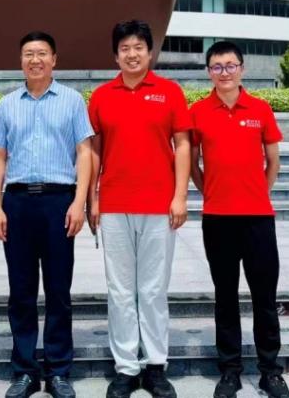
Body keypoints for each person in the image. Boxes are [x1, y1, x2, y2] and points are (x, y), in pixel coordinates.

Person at [87, 20, 191, 398]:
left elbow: (183, 145)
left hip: (159, 205)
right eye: (125, 48)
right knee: (119, 290)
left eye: (138, 47)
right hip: (115, 205)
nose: (132, 54)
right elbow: (94, 150)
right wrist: (93, 198)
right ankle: (127, 368)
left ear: (150, 52)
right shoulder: (102, 96)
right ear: (116, 55)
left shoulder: (169, 92)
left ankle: (156, 365)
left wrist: (180, 196)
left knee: (152, 289)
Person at [0, 31, 94, 398]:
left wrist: (79, 202)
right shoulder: (6, 104)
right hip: (17, 202)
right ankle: (25, 371)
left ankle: (59, 370)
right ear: (21, 61)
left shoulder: (72, 101)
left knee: (58, 289)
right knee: (21, 291)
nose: (35, 60)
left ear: (54, 60)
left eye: (42, 54)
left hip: (58, 202)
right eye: (29, 54)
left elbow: (84, 152)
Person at [189, 41, 289, 398]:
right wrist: (210, 192)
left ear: (242, 69)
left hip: (258, 219)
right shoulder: (198, 112)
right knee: (225, 296)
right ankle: (229, 371)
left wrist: (258, 192)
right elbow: (192, 163)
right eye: (217, 67)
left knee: (264, 297)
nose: (225, 72)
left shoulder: (260, 109)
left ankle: (270, 372)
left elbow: (273, 161)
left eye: (230, 65)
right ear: (209, 72)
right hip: (217, 219)